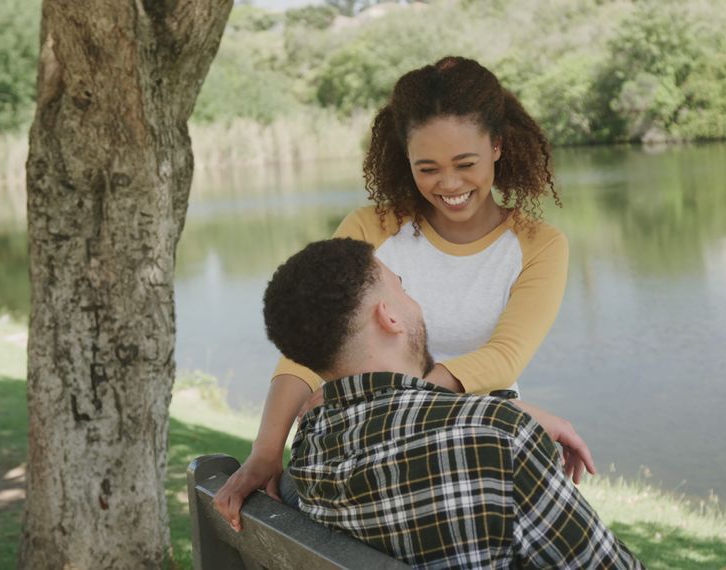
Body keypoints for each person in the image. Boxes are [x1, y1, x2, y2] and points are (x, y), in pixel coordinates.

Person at [215, 55, 569, 531]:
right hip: (376, 444)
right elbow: (311, 341)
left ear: (499, 147)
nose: (449, 183)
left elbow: (505, 357)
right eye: (428, 168)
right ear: (405, 159)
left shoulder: (537, 245)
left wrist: (385, 403)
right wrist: (265, 450)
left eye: (466, 163)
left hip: (476, 441)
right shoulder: (372, 228)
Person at [262, 238, 643, 569]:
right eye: (402, 289)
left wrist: (498, 411)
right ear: (389, 317)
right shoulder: (500, 442)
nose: (413, 302)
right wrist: (502, 418)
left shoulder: (310, 448)